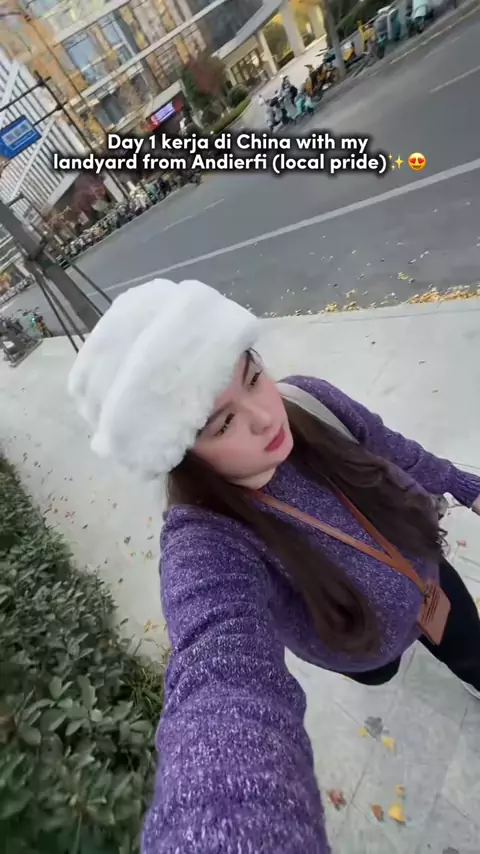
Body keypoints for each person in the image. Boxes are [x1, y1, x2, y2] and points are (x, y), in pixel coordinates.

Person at [68, 279, 480, 853]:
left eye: (253, 376)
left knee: (470, 647)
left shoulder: (309, 401)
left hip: (428, 573)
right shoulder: (207, 541)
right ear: (181, 454)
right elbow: (219, 681)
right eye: (222, 424)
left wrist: (465, 485)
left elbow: (391, 447)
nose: (265, 416)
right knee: (381, 672)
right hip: (361, 647)